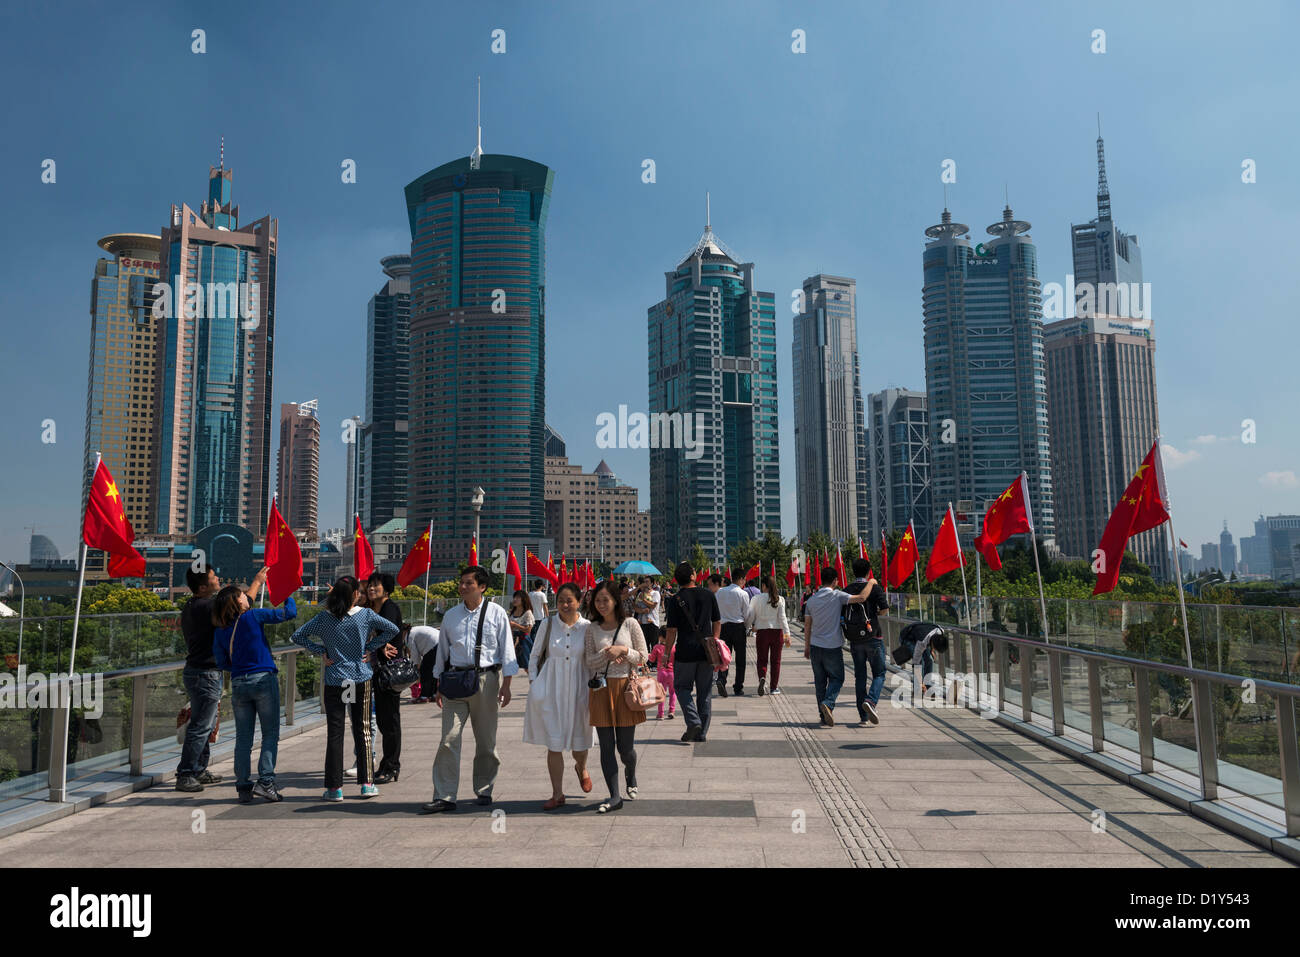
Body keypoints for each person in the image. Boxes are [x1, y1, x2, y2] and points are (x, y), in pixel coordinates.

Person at [290, 577, 399, 800]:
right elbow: (392, 629)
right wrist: (371, 647)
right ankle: (367, 783)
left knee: (335, 733)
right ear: (354, 595)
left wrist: (320, 651)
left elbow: (297, 635)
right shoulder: (366, 615)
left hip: (335, 679)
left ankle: (334, 788)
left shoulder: (324, 618)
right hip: (360, 676)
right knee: (364, 730)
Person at [422, 565, 518, 813]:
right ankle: (444, 795)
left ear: (482, 587)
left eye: (468, 583)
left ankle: (484, 789)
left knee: (486, 741)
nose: (462, 587)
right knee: (448, 739)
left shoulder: (496, 613)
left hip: (486, 681)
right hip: (454, 681)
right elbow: (442, 651)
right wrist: (438, 684)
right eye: (461, 582)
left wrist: (507, 685)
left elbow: (507, 649)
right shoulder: (451, 615)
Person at [175, 564, 267, 792]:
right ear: (204, 586)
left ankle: (198, 769)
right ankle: (186, 773)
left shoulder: (191, 605)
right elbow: (242, 606)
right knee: (201, 725)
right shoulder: (208, 607)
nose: (219, 579)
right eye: (214, 577)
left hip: (198, 672)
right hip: (206, 674)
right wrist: (257, 582)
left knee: (203, 724)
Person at [212, 585, 297, 803]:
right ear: (237, 602)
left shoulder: (221, 630)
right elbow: (289, 614)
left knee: (243, 738)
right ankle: (266, 782)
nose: (246, 596)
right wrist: (285, 593)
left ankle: (243, 787)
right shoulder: (253, 616)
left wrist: (241, 669)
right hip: (263, 679)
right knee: (269, 734)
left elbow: (222, 662)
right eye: (242, 594)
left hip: (239, 683)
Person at [522, 581, 594, 810]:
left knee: (580, 742)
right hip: (552, 687)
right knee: (553, 743)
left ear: (579, 601)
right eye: (560, 600)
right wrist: (534, 682)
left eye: (569, 600)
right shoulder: (548, 624)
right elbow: (534, 655)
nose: (564, 604)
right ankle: (557, 793)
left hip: (580, 688)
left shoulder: (587, 627)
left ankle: (581, 767)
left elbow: (592, 660)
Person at [585, 580, 647, 813]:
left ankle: (630, 772)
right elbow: (588, 661)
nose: (601, 604)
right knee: (606, 746)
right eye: (597, 600)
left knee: (625, 748)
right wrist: (606, 655)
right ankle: (614, 795)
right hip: (601, 689)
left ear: (615, 601)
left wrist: (623, 651)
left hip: (625, 690)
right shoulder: (592, 629)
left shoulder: (630, 624)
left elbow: (643, 656)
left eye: (605, 600)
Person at [802, 566, 877, 727]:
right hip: (833, 646)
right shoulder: (837, 596)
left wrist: (806, 646)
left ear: (822, 580)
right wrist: (871, 582)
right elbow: (862, 598)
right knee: (837, 678)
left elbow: (807, 625)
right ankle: (828, 703)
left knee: (820, 682)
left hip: (815, 645)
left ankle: (823, 715)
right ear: (835, 581)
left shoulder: (812, 600)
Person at [662, 562, 722, 743]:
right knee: (704, 693)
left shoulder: (675, 599)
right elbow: (717, 621)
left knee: (682, 688)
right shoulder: (708, 595)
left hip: (685, 652)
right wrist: (715, 642)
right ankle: (701, 732)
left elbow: (671, 630)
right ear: (693, 576)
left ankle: (693, 721)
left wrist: (666, 653)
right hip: (706, 652)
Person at [366, 573, 405, 784]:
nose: (371, 589)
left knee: (389, 720)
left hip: (389, 673)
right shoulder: (374, 609)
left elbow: (388, 634)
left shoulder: (389, 608)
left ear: (386, 589)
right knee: (383, 719)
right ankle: (387, 763)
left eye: (376, 586)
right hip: (379, 672)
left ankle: (392, 765)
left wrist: (378, 645)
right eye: (370, 585)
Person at [843, 558, 890, 726]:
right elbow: (884, 610)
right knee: (879, 673)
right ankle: (871, 701)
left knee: (860, 676)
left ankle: (863, 716)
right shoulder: (875, 588)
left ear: (853, 571)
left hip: (855, 639)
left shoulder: (847, 589)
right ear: (869, 571)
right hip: (874, 637)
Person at [746, 576, 791, 696]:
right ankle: (773, 687)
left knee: (762, 659)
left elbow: (750, 615)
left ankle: (762, 677)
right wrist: (787, 635)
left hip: (762, 632)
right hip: (777, 633)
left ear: (764, 586)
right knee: (776, 661)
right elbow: (783, 618)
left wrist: (747, 628)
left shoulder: (756, 598)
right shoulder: (779, 599)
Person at [707, 573, 751, 696]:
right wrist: (746, 627)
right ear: (741, 579)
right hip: (738, 626)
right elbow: (747, 613)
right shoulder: (743, 594)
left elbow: (714, 611)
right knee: (740, 659)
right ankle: (738, 687)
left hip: (723, 626)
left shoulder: (720, 592)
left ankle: (721, 679)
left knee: (724, 656)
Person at [405, 622, 441, 702]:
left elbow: (414, 656)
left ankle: (424, 696)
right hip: (438, 642)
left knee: (425, 671)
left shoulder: (410, 636)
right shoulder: (414, 631)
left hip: (433, 645)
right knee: (433, 671)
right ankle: (433, 694)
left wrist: (417, 669)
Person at [508, 589, 536, 674]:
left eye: (518, 598)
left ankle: (534, 682)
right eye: (514, 597)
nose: (515, 600)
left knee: (527, 666)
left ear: (523, 599)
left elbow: (528, 630)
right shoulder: (512, 612)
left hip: (523, 641)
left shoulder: (528, 613)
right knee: (510, 665)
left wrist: (515, 625)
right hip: (512, 640)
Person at [647, 640, 676, 718]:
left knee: (661, 693)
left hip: (662, 672)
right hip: (672, 673)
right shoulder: (674, 647)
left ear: (660, 637)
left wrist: (647, 655)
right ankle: (671, 711)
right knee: (672, 692)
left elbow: (652, 659)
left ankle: (660, 714)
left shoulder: (657, 647)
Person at [633, 576, 662, 652]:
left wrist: (643, 599)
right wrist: (642, 610)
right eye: (644, 582)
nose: (645, 584)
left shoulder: (655, 593)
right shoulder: (640, 594)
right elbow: (635, 607)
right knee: (644, 646)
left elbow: (653, 605)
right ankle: (646, 662)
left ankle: (654, 662)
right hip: (642, 622)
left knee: (654, 646)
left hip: (653, 622)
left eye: (647, 582)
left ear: (652, 583)